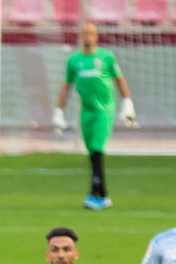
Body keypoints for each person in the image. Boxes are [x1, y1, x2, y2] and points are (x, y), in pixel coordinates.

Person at [52, 21, 135, 211]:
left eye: (91, 33)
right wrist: (58, 111)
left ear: (96, 36)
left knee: (97, 150)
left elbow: (119, 79)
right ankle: (103, 195)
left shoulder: (106, 57)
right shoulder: (74, 61)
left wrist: (127, 102)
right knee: (92, 154)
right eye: (85, 32)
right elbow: (67, 86)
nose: (88, 36)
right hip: (86, 111)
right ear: (80, 36)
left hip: (104, 110)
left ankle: (94, 194)